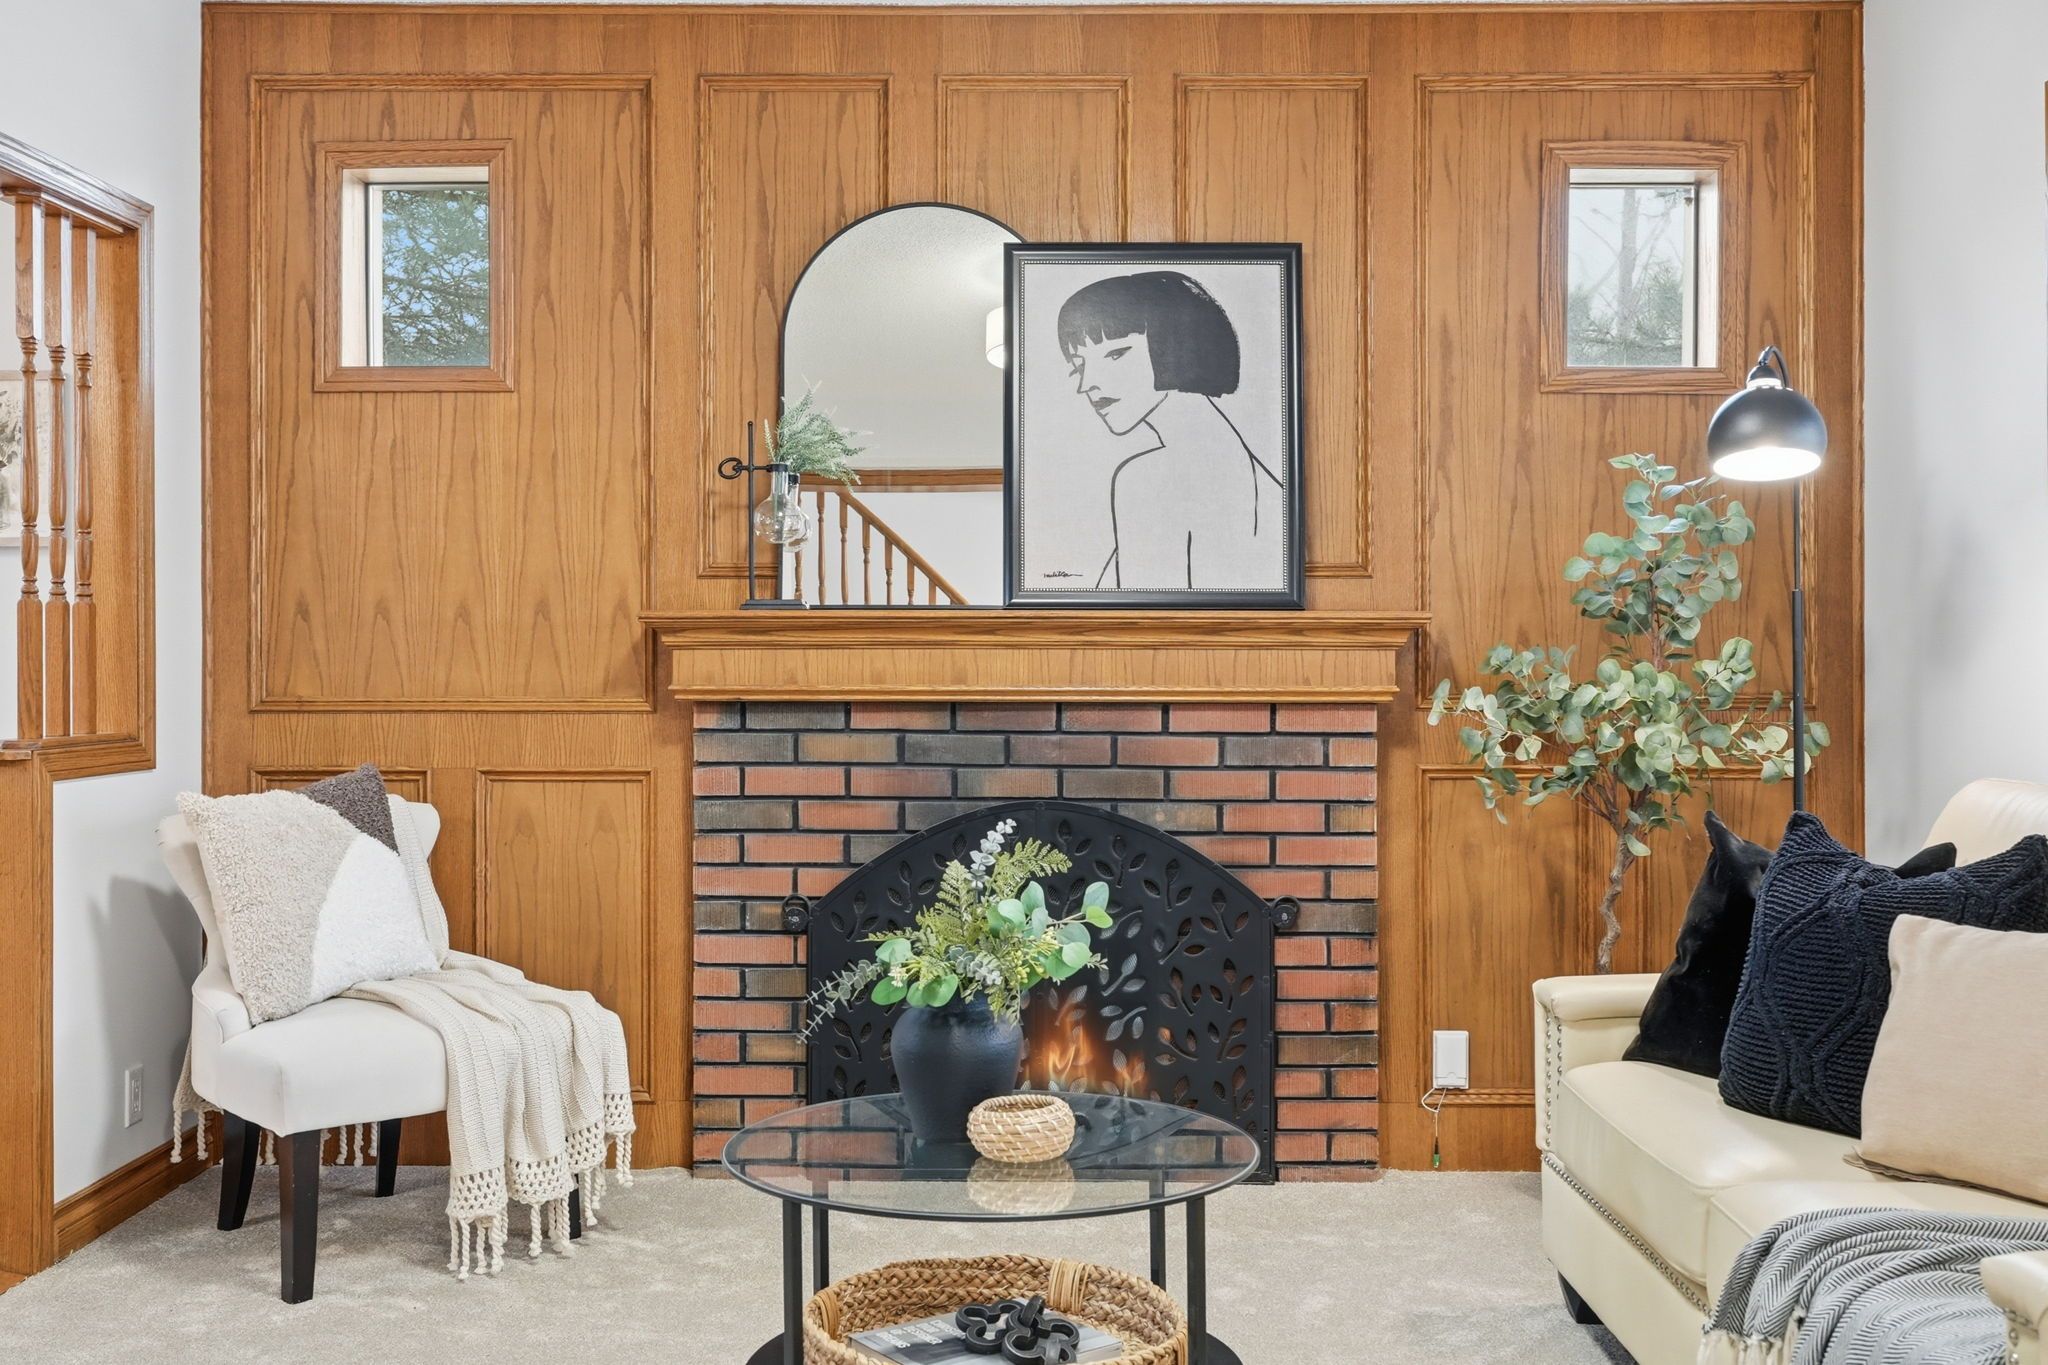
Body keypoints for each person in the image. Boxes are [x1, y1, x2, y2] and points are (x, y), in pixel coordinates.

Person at [1056, 270, 1283, 592]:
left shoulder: (1150, 476)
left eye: (1115, 354)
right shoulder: (1249, 468)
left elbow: (1144, 617)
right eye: (1079, 365)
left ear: (1176, 344)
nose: (1086, 384)